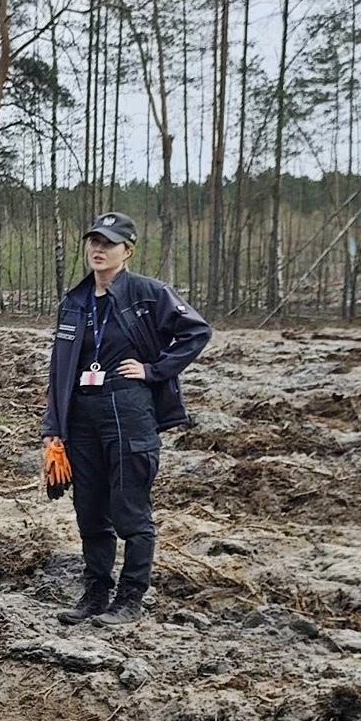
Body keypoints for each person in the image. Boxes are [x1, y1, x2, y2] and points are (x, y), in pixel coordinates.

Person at [41, 212, 211, 627]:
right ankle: (95, 593)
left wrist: (154, 370)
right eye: (94, 241)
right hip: (82, 413)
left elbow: (196, 332)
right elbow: (59, 367)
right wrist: (53, 428)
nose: (98, 250)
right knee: (89, 509)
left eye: (109, 243)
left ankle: (130, 598)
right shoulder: (75, 301)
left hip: (128, 408)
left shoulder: (148, 293)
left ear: (127, 251)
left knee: (129, 508)